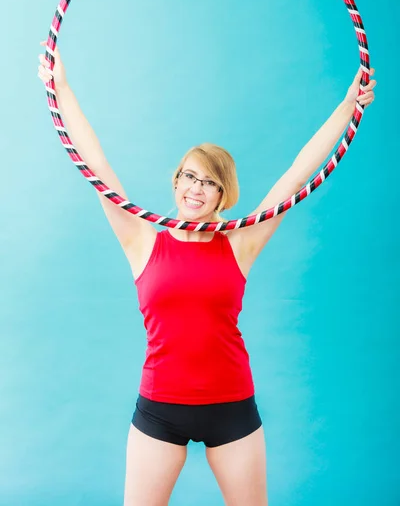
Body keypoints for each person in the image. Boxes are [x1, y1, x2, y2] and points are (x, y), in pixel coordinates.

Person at [38, 44, 376, 506]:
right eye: (190, 177)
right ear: (176, 182)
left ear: (223, 195)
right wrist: (60, 85)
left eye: (211, 182)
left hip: (232, 407)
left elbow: (297, 175)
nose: (198, 188)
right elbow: (96, 164)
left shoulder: (240, 243)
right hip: (160, 409)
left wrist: (346, 109)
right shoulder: (142, 241)